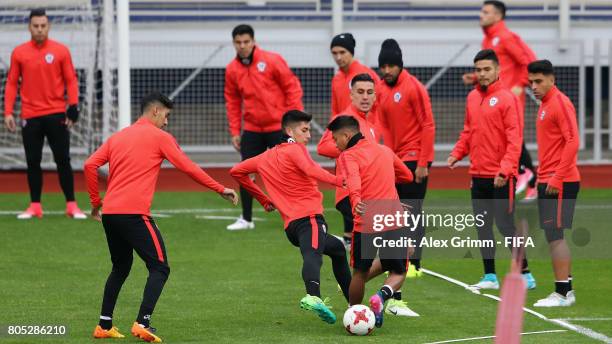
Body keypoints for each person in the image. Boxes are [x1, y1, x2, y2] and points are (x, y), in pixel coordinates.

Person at [85, 92, 238, 342]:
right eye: (166, 116)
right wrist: (220, 188)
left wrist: (95, 204)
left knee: (120, 267)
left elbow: (90, 165)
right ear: (155, 111)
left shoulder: (118, 137)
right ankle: (142, 322)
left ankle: (104, 325)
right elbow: (188, 167)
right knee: (160, 267)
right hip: (133, 214)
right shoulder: (160, 138)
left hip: (111, 214)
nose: (167, 122)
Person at [230, 110, 351, 324]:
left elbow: (237, 171)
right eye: (304, 130)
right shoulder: (296, 149)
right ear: (289, 131)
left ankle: (354, 303)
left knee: (338, 250)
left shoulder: (264, 157)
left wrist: (263, 199)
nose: (309, 135)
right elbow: (310, 169)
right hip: (309, 218)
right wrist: (339, 180)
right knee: (313, 256)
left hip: (292, 228)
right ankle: (313, 296)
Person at [448, 49, 536, 291]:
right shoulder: (472, 98)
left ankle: (526, 273)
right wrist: (457, 153)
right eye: (479, 70)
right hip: (477, 174)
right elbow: (468, 132)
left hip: (500, 177)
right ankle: (490, 276)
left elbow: (514, 140)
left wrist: (504, 170)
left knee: (505, 226)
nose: (483, 74)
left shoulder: (507, 99)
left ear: (498, 70)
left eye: (487, 69)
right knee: (482, 226)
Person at [330, 115, 414, 328]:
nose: (335, 144)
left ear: (346, 135)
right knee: (398, 270)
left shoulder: (348, 156)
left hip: (367, 218)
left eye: (335, 139)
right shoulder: (385, 151)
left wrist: (357, 199)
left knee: (359, 271)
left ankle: (352, 313)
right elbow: (406, 175)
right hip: (393, 217)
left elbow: (354, 181)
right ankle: (381, 297)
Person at [3, 8, 86, 219]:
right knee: (32, 160)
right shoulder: (19, 53)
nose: (39, 29)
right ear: (29, 27)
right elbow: (12, 83)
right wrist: (8, 112)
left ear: (48, 26)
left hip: (56, 113)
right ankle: (35, 206)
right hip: (30, 115)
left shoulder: (61, 51)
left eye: (43, 26)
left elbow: (71, 80)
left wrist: (73, 106)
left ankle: (71, 205)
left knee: (63, 160)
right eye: (35, 26)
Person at [224, 24, 304, 231]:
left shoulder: (272, 60)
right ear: (233, 43)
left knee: (292, 169)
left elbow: (292, 87)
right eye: (238, 42)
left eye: (246, 42)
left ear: (253, 41)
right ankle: (246, 219)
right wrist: (235, 130)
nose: (242, 46)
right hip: (252, 128)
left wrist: (295, 122)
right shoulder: (232, 69)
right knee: (244, 171)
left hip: (278, 126)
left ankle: (299, 213)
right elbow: (232, 101)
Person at [462, 0, 538, 201]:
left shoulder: (504, 37)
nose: (481, 15)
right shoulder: (488, 41)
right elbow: (494, 69)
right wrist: (475, 77)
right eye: (481, 11)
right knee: (506, 139)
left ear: (497, 16)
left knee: (512, 138)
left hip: (508, 98)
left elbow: (527, 62)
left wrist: (520, 84)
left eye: (485, 12)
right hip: (493, 97)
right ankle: (530, 180)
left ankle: (529, 178)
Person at [376, 38, 435, 278]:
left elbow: (428, 125)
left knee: (411, 210)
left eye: (391, 66)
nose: (387, 70)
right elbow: (385, 126)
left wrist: (423, 163)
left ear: (400, 65)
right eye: (383, 66)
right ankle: (399, 258)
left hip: (414, 157)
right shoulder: (380, 89)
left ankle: (414, 263)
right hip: (395, 158)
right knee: (396, 211)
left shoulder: (414, 87)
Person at [528, 60, 580, 307]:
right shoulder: (545, 105)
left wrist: (556, 178)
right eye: (531, 82)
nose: (534, 86)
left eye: (538, 81)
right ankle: (566, 289)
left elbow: (573, 141)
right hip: (548, 179)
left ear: (551, 79)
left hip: (559, 181)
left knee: (555, 236)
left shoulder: (559, 103)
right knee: (553, 236)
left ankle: (561, 294)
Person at [318, 73, 379, 248]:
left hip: (366, 192)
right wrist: (354, 150)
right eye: (360, 92)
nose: (365, 97)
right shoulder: (345, 120)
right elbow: (323, 147)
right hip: (351, 193)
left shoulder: (368, 122)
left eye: (369, 92)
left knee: (367, 253)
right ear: (351, 95)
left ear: (375, 96)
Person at [329, 32, 380, 117]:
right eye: (334, 53)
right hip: (343, 128)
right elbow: (335, 111)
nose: (338, 57)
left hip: (362, 128)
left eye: (342, 52)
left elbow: (378, 106)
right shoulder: (336, 79)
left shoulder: (367, 74)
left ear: (351, 52)